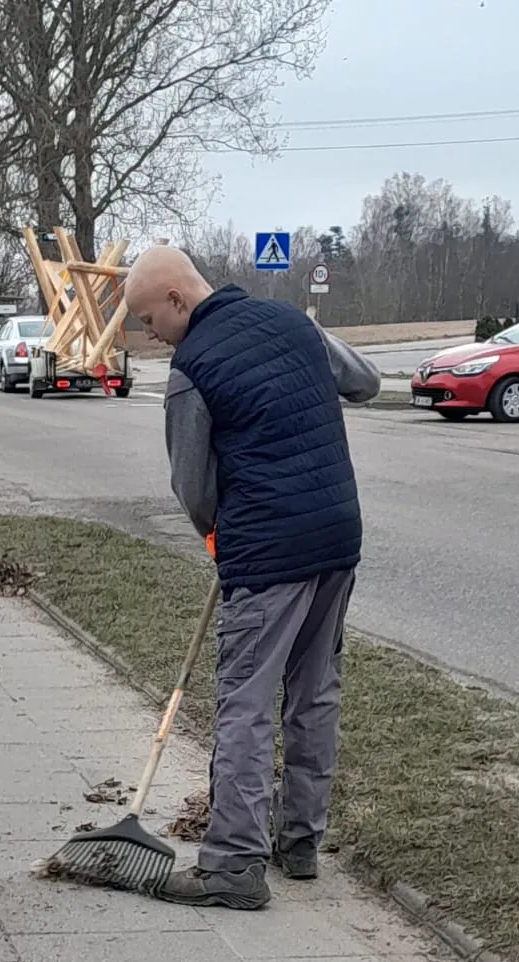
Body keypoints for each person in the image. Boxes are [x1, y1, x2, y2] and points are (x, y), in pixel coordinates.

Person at [123, 246, 381, 910]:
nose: (150, 336)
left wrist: (220, 536)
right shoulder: (293, 322)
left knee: (245, 701)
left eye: (149, 321)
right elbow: (365, 382)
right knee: (314, 692)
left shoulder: (193, 368)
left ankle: (234, 865)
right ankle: (299, 841)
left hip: (268, 552)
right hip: (336, 537)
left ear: (178, 300)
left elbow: (191, 487)